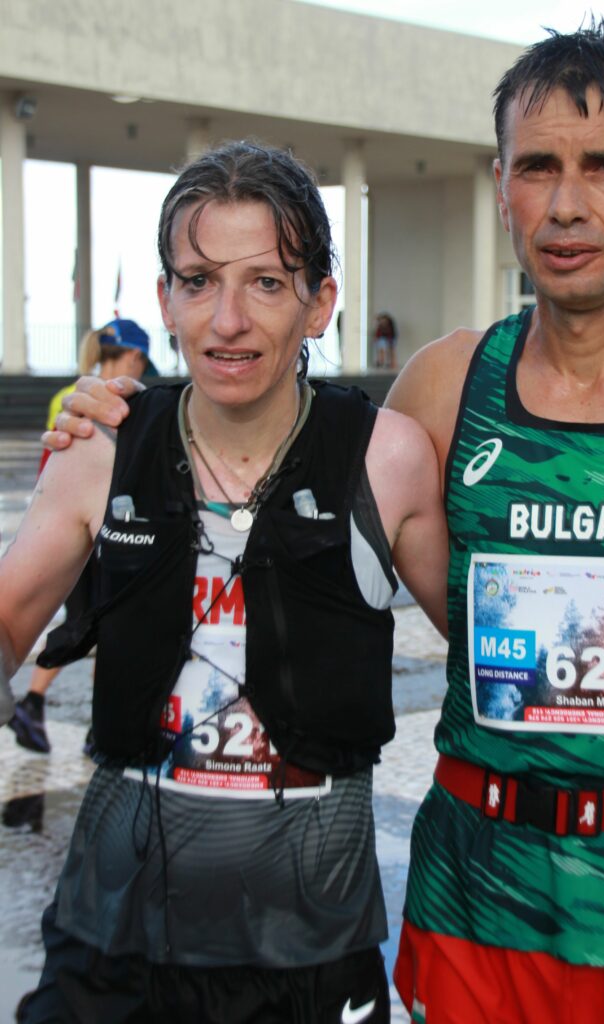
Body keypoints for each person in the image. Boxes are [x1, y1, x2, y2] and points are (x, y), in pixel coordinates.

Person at [41, 22, 604, 1022]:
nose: (568, 202)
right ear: (502, 187)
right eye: (539, 166)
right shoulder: (445, 386)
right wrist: (114, 423)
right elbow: (275, 455)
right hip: (480, 902)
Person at [0, 140, 448, 1024]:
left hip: (312, 942)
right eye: (199, 280)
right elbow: (9, 622)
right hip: (114, 936)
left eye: (267, 283)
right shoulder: (101, 447)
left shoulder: (387, 459)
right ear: (165, 298)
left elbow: (492, 662)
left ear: (320, 302)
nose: (227, 320)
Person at [9, 318, 152, 754]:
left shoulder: (67, 394)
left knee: (91, 623)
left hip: (69, 522)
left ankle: (81, 718)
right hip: (99, 530)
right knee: (98, 624)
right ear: (134, 357)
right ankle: (48, 706)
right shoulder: (106, 403)